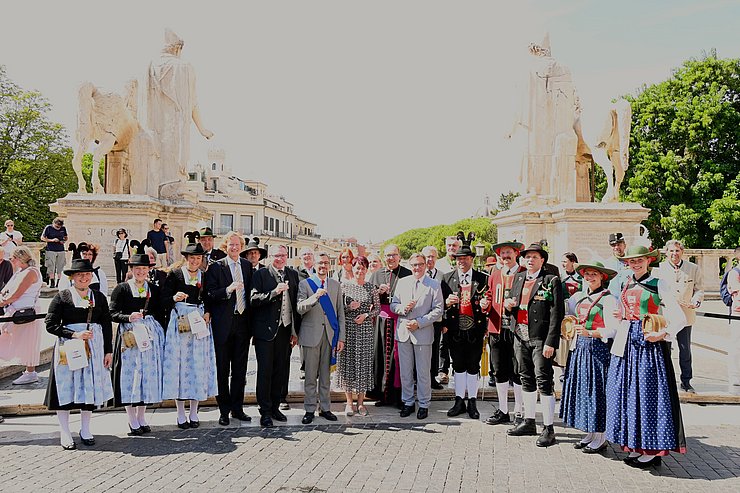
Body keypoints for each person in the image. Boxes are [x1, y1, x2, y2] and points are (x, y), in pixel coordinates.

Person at [606, 245, 687, 468]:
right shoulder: (625, 283)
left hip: (647, 344)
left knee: (648, 395)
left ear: (648, 261)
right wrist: (620, 314)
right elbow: (626, 312)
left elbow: (678, 316)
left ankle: (651, 449)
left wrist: (663, 334)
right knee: (628, 393)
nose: (635, 264)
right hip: (627, 342)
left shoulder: (658, 283)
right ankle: (635, 444)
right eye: (632, 261)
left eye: (639, 260)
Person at [43, 258, 114, 450]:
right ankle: (65, 432)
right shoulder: (62, 297)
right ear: (73, 277)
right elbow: (50, 324)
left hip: (94, 348)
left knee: (88, 389)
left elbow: (106, 323)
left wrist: (108, 350)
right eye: (80, 275)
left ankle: (85, 428)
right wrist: (74, 334)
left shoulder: (98, 297)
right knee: (65, 389)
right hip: (70, 349)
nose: (84, 278)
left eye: (87, 274)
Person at [504, 242, 564, 447]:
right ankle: (529, 420)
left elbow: (557, 313)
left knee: (544, 381)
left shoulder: (551, 280)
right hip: (520, 335)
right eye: (527, 257)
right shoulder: (518, 278)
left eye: (534, 257)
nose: (530, 260)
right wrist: (508, 307)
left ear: (542, 260)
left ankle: (549, 427)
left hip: (540, 337)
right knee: (526, 378)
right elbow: (512, 304)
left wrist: (551, 342)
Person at [559, 261, 619, 453]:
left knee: (597, 392)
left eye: (594, 274)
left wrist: (592, 333)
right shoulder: (581, 297)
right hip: (580, 349)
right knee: (585, 391)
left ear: (602, 277)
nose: (590, 278)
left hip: (598, 350)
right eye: (587, 275)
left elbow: (613, 329)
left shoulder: (608, 299)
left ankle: (601, 436)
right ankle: (591, 432)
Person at [147, 29, 213, 192]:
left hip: (152, 128)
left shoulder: (149, 67)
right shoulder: (184, 67)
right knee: (174, 172)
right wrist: (202, 129)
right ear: (178, 49)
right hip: (175, 128)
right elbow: (193, 103)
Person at [161, 240, 217, 429]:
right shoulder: (176, 275)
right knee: (180, 367)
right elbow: (163, 299)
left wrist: (208, 312)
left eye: (198, 258)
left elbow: (209, 297)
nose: (195, 261)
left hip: (199, 322)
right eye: (192, 258)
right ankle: (180, 413)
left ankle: (194, 411)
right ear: (186, 258)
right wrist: (173, 298)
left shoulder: (204, 275)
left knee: (197, 367)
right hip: (180, 323)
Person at [110, 253, 166, 435]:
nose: (141, 272)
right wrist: (128, 317)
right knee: (130, 376)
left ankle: (142, 415)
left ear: (149, 270)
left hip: (149, 337)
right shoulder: (122, 289)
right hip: (129, 337)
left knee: (146, 376)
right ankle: (131, 418)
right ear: (131, 270)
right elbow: (112, 313)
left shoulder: (154, 290)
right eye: (137, 269)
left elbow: (160, 312)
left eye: (144, 268)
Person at [205, 232, 253, 426]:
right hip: (223, 325)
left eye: (237, 244)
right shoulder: (216, 267)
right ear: (226, 246)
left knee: (240, 370)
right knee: (222, 370)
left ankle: (237, 409)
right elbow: (209, 294)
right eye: (231, 244)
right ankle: (223, 410)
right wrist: (228, 290)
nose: (234, 247)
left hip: (243, 324)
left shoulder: (248, 266)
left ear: (241, 246)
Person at [250, 244, 301, 428]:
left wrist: (295, 332)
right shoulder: (260, 274)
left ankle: (275, 407)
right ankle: (264, 411)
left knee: (281, 371)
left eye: (282, 255)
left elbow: (295, 304)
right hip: (265, 332)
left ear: (287, 256)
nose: (279, 258)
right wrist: (274, 293)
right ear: (269, 256)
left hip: (285, 331)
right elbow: (253, 299)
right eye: (276, 255)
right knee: (265, 372)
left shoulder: (293, 274)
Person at [440, 233, 488, 420]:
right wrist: (447, 303)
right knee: (458, 366)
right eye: (459, 259)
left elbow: (489, 301)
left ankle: (473, 402)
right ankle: (459, 400)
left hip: (475, 330)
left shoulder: (482, 278)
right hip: (455, 329)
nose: (462, 262)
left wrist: (485, 307)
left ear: (471, 259)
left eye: (465, 258)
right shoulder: (446, 278)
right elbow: (440, 304)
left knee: (473, 366)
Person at [391, 253, 443, 420]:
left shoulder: (433, 284)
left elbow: (438, 310)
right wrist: (403, 309)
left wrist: (419, 322)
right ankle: (407, 402)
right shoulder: (402, 282)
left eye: (420, 264)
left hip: (422, 333)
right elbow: (393, 304)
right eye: (414, 265)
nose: (417, 268)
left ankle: (424, 404)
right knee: (405, 372)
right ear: (410, 265)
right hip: (404, 332)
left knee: (422, 372)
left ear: (425, 265)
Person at [297, 252, 345, 424]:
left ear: (329, 265)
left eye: (326, 263)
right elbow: (300, 308)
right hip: (311, 336)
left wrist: (341, 338)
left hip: (330, 336)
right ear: (314, 265)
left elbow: (340, 312)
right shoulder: (305, 284)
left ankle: (325, 408)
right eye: (320, 263)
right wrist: (315, 297)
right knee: (310, 376)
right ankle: (309, 409)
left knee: (326, 376)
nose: (323, 266)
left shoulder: (336, 285)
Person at [482, 241, 525, 426]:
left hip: (517, 330)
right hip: (496, 328)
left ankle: (520, 411)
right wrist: (485, 304)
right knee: (499, 370)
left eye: (509, 252)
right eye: (502, 253)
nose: (505, 256)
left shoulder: (523, 272)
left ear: (516, 253)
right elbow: (490, 295)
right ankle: (503, 410)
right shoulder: (495, 274)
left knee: (518, 372)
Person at [657, 239, 704, 393]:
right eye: (671, 251)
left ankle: (686, 381)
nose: (674, 254)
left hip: (686, 315)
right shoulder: (659, 269)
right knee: (665, 349)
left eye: (677, 251)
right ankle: (666, 380)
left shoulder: (693, 268)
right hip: (666, 317)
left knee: (685, 350)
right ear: (666, 253)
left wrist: (695, 301)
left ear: (682, 252)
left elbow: (699, 289)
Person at [368, 244, 411, 407]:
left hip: (400, 319)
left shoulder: (407, 274)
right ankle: (382, 395)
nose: (391, 258)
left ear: (399, 256)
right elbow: (368, 298)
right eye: (387, 255)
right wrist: (378, 292)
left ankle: (399, 396)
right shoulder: (377, 274)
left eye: (394, 255)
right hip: (381, 320)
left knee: (399, 360)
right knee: (380, 357)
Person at [338, 256, 380, 417]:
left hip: (365, 330)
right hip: (348, 329)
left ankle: (361, 403)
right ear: (352, 269)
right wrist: (349, 307)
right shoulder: (345, 287)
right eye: (357, 268)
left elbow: (377, 309)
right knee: (348, 366)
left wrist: (366, 315)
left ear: (367, 269)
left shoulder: (371, 288)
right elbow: (339, 309)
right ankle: (349, 403)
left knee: (363, 366)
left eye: (363, 268)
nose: (360, 271)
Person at [0, 247, 44, 385]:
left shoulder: (30, 272)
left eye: (12, 258)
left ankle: (30, 372)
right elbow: (7, 289)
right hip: (15, 311)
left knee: (28, 342)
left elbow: (17, 293)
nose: (10, 261)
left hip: (24, 312)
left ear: (19, 258)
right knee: (9, 338)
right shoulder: (21, 271)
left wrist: (3, 302)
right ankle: (29, 372)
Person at [436, 235, 461, 383]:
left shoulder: (463, 262)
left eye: (454, 246)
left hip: (460, 311)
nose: (452, 248)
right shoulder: (440, 265)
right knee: (443, 342)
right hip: (445, 308)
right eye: (449, 245)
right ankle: (443, 370)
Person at [421, 245, 444, 390]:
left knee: (435, 349)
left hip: (436, 320)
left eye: (432, 256)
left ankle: (432, 377)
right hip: (420, 319)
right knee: (421, 350)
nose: (430, 259)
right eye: (427, 256)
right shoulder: (417, 274)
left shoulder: (442, 275)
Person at [41, 217, 68, 288]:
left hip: (61, 250)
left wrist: (63, 241)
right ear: (53, 223)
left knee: (60, 267)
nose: (58, 228)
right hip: (51, 250)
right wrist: (52, 240)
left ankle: (59, 282)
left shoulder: (63, 228)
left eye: (60, 227)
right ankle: (52, 281)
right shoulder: (48, 228)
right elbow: (42, 238)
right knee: (51, 266)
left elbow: (66, 237)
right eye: (57, 227)